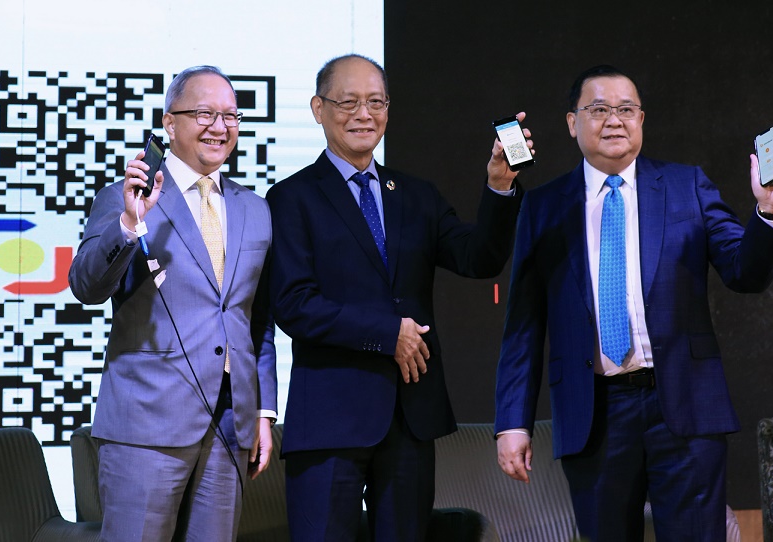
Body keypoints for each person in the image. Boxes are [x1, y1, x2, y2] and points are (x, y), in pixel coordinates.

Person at [494, 64, 773, 541]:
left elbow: (746, 273)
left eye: (626, 109)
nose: (614, 120)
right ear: (572, 123)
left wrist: (769, 210)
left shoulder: (686, 186)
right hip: (595, 412)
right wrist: (513, 422)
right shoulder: (544, 206)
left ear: (641, 120)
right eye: (598, 110)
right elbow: (524, 324)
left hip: (684, 407)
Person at [266, 53, 530, 541]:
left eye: (376, 102)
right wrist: (388, 334)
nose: (363, 114)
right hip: (330, 420)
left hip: (410, 418)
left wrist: (498, 186)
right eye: (348, 102)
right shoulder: (290, 198)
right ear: (318, 108)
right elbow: (294, 305)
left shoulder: (414, 194)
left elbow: (479, 259)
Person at [68, 65, 277, 541]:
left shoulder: (254, 208)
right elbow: (86, 286)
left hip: (229, 425)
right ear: (169, 123)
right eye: (204, 113)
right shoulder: (128, 199)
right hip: (145, 423)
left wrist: (262, 412)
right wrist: (128, 221)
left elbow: (256, 319)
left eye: (231, 116)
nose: (220, 127)